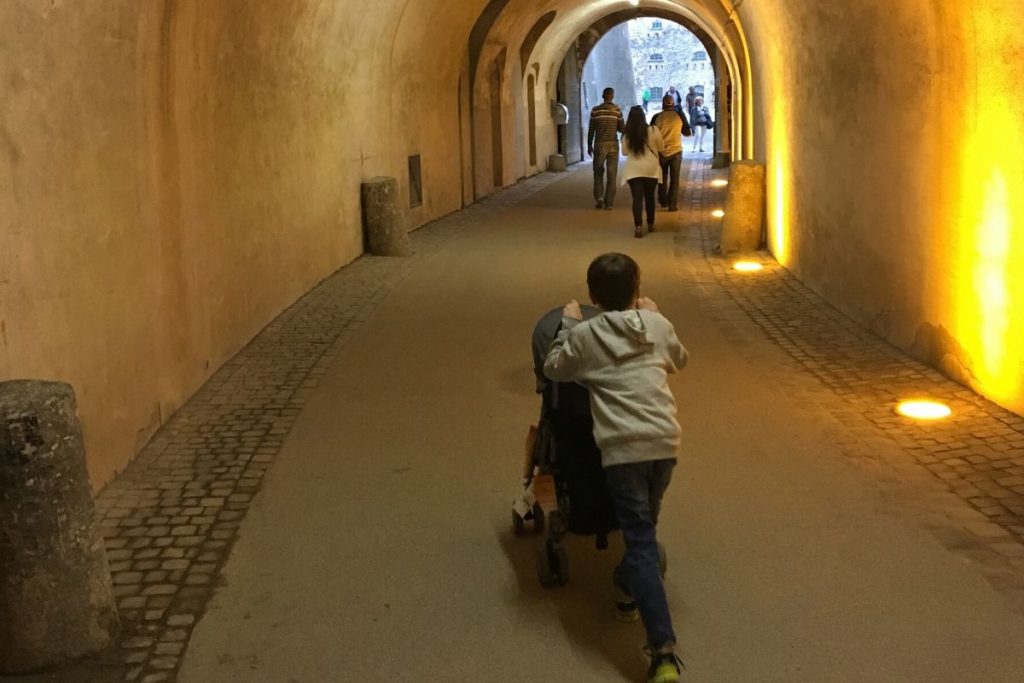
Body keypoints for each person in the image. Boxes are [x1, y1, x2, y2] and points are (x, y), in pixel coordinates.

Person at [543, 252, 689, 683]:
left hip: (623, 450)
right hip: (665, 442)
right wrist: (658, 317)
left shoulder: (585, 335)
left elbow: (554, 368)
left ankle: (662, 651)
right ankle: (627, 588)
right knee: (643, 533)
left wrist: (568, 323)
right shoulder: (657, 327)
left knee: (641, 541)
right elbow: (681, 360)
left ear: (591, 295)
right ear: (637, 291)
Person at [621, 106, 664, 238]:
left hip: (633, 169)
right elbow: (661, 146)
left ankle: (638, 226)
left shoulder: (627, 134)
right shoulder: (653, 130)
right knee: (650, 197)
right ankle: (650, 224)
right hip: (650, 167)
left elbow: (624, 152)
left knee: (637, 199)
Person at [587, 87, 626, 210]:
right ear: (612, 96)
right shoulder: (617, 110)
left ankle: (599, 198)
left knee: (598, 172)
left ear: (603, 96)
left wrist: (589, 145)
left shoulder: (595, 111)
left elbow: (591, 129)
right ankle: (609, 203)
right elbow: (622, 129)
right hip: (613, 145)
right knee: (612, 173)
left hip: (599, 144)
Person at [651, 95, 687, 212]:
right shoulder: (679, 116)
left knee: (662, 177)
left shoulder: (657, 117)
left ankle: (663, 200)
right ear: (674, 103)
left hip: (661, 152)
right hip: (676, 151)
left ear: (663, 103)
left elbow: (650, 134)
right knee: (675, 179)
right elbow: (687, 132)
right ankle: (672, 205)